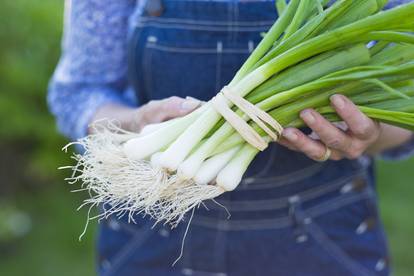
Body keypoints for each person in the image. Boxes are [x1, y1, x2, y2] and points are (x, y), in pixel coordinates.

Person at [48, 0, 414, 275]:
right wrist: (133, 122)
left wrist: (370, 135)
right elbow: (78, 93)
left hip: (323, 236)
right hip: (150, 225)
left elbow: (403, 99)